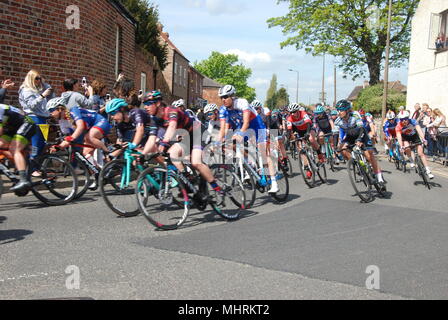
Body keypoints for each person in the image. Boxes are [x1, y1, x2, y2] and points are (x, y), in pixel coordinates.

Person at [218, 85, 279, 193]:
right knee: (230, 144)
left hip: (257, 126)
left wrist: (240, 133)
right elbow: (224, 128)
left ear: (232, 96)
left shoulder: (242, 103)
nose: (223, 100)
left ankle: (274, 183)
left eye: (226, 97)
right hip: (242, 127)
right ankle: (250, 162)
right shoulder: (223, 110)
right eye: (221, 97)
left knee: (263, 153)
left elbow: (246, 122)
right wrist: (218, 141)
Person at [334, 100, 385, 185]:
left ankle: (379, 178)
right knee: (342, 149)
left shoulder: (355, 115)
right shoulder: (337, 121)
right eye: (338, 110)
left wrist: (359, 140)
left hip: (362, 134)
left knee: (369, 156)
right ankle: (357, 163)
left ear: (347, 110)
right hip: (350, 136)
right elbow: (335, 134)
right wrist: (335, 147)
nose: (339, 112)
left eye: (341, 110)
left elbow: (361, 128)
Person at [18, 70, 55, 167]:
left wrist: (45, 85)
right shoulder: (26, 90)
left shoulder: (38, 90)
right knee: (36, 143)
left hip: (43, 118)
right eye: (37, 78)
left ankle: (36, 167)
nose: (39, 81)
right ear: (31, 79)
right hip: (34, 117)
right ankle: (32, 168)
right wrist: (42, 96)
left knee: (42, 144)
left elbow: (51, 97)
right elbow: (31, 105)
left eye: (40, 78)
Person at [0, 104, 37, 192]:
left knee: (14, 149)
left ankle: (23, 180)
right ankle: (20, 165)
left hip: (26, 124)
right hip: (12, 128)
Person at [396, 111, 434, 179]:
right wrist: (401, 146)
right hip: (405, 138)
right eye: (402, 120)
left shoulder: (413, 121)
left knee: (421, 153)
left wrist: (424, 139)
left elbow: (419, 130)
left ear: (408, 118)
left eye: (405, 119)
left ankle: (428, 171)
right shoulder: (398, 126)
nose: (404, 121)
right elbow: (399, 137)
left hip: (414, 137)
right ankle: (411, 160)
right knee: (407, 147)